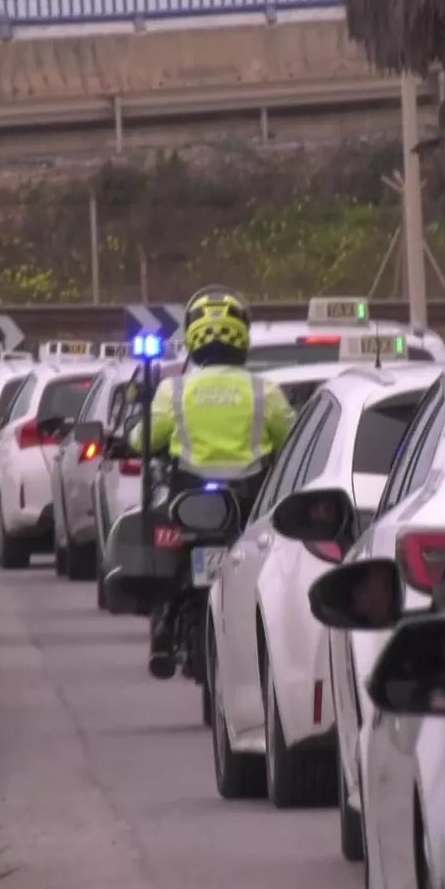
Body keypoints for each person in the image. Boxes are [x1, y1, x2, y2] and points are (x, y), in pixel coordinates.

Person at [129, 286, 296, 673]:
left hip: (188, 503)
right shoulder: (263, 391)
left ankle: (163, 627)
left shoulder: (175, 390)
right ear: (243, 337)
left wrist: (137, 438)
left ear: (192, 337)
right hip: (249, 503)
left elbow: (145, 439)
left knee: (166, 552)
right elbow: (291, 442)